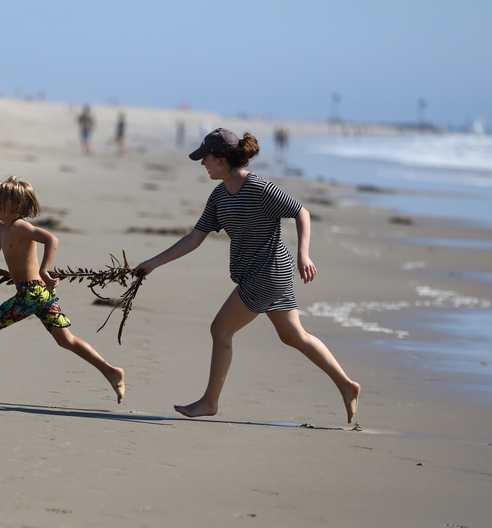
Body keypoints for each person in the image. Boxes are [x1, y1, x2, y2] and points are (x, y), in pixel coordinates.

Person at [134, 128, 360, 423]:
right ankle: (347, 385)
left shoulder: (260, 189)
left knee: (221, 330)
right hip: (258, 273)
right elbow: (195, 238)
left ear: (221, 159)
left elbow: (301, 212)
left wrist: (304, 254)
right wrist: (152, 263)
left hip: (267, 273)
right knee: (293, 336)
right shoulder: (219, 196)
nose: (202, 164)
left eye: (205, 158)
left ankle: (209, 402)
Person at [0, 177, 126, 403]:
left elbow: (51, 239)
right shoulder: (2, 228)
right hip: (39, 294)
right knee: (66, 340)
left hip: (32, 292)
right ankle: (110, 371)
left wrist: (44, 270)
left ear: (16, 206)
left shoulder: (20, 226)